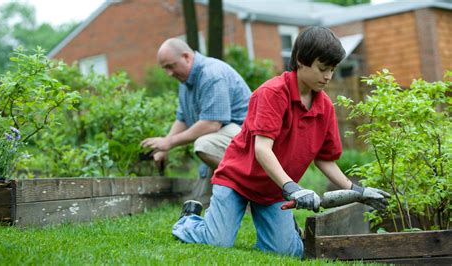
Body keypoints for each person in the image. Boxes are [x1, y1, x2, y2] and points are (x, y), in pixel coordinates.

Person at [171, 26, 390, 258]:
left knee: (287, 253)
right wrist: (293, 188)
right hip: (237, 181)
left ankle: (287, 232)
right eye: (322, 68)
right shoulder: (272, 93)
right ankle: (190, 220)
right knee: (217, 242)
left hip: (274, 190)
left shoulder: (324, 107)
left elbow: (324, 160)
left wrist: (357, 191)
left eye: (333, 70)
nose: (328, 76)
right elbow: (262, 149)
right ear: (300, 61)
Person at [141, 38, 252, 206]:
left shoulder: (211, 74)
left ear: (186, 57)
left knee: (204, 144)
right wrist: (163, 146)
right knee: (198, 202)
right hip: (224, 140)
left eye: (171, 66)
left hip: (248, 140)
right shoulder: (185, 81)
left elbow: (211, 124)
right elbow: (183, 119)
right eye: (165, 69)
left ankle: (251, 190)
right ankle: (228, 198)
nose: (169, 73)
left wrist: (169, 142)